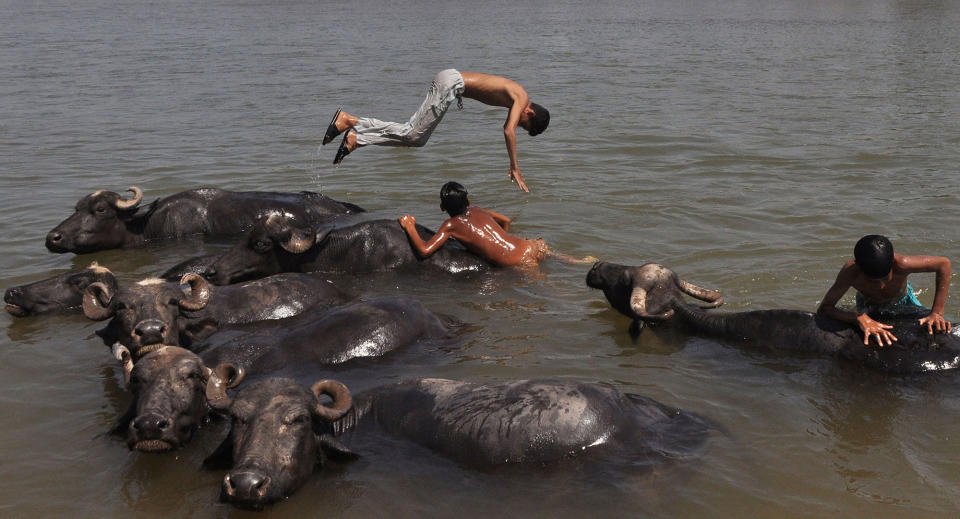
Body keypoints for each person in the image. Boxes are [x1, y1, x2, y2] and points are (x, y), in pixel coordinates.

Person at [322, 70, 550, 193]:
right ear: (530, 113)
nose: (518, 124)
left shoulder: (519, 98)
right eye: (524, 124)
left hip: (451, 85)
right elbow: (508, 130)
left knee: (416, 138)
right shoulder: (522, 98)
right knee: (413, 133)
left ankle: (356, 138)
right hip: (451, 84)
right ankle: (350, 122)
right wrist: (515, 167)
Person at [397, 182, 591, 269]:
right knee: (558, 259)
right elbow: (505, 220)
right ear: (469, 200)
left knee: (552, 291)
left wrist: (410, 226)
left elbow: (424, 250)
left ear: (442, 207)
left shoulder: (450, 225)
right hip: (532, 245)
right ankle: (578, 262)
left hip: (519, 262)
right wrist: (501, 241)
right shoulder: (479, 209)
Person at [817, 234, 952, 347]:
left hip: (905, 302)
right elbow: (824, 309)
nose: (881, 286)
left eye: (886, 278)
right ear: (858, 266)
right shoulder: (850, 273)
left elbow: (943, 264)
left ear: (893, 262)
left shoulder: (903, 264)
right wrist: (858, 318)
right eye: (872, 281)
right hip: (868, 305)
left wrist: (937, 312)